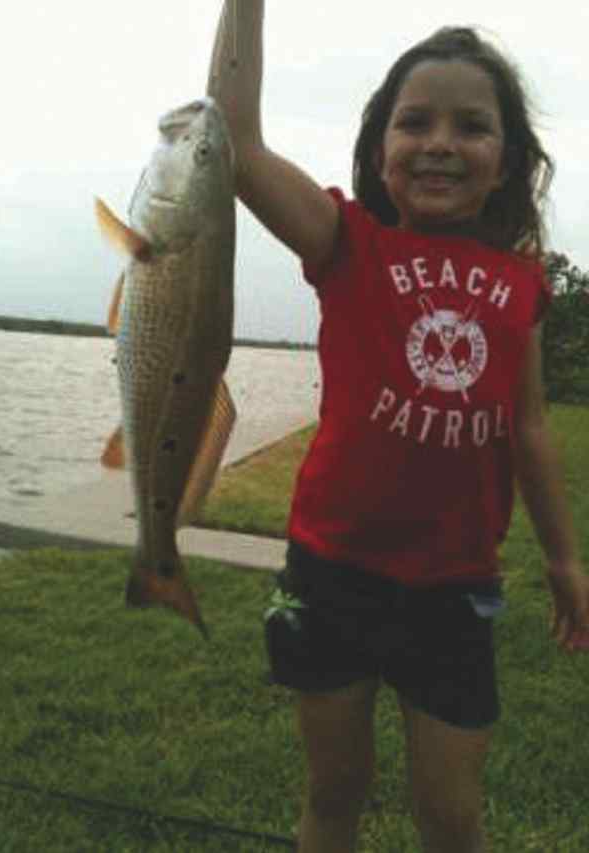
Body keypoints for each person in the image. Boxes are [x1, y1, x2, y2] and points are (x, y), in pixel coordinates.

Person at [208, 4, 589, 852]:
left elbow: (527, 429)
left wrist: (564, 559)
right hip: (332, 572)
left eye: (472, 125)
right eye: (414, 122)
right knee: (334, 792)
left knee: (453, 818)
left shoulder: (523, 283)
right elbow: (234, 142)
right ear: (380, 152)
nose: (441, 141)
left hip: (454, 589)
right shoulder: (347, 242)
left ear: (508, 161)